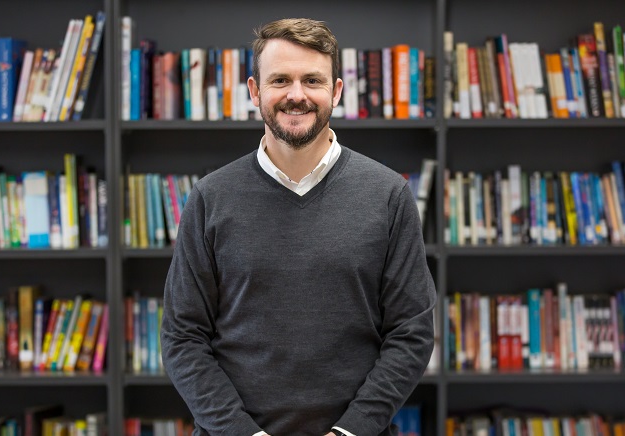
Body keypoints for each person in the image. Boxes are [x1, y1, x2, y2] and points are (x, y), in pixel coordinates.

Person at [161, 18, 436, 436]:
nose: (296, 95)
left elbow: (411, 332)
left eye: (312, 80)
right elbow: (182, 337)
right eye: (280, 80)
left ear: (336, 91)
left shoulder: (388, 196)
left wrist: (350, 431)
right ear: (254, 91)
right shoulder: (210, 197)